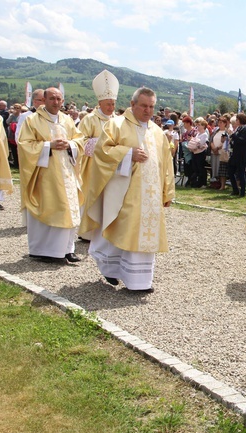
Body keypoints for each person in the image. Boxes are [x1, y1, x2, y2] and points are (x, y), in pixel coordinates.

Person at [79, 87, 175, 292]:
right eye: (143, 106)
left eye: (151, 106)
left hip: (151, 196)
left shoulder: (157, 132)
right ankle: (112, 270)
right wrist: (127, 154)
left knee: (145, 234)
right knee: (123, 230)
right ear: (132, 105)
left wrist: (168, 192)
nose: (148, 111)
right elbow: (102, 152)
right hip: (124, 192)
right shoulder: (116, 125)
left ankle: (140, 282)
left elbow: (166, 164)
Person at [17, 87, 84, 263]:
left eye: (59, 99)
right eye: (52, 98)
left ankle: (67, 249)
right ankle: (46, 250)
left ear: (62, 101)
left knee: (69, 209)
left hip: (67, 173)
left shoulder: (67, 120)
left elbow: (79, 140)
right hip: (46, 174)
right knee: (53, 208)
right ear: (44, 100)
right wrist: (48, 146)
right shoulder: (33, 120)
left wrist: (70, 145)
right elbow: (24, 145)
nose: (56, 102)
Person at [78, 70, 119, 200]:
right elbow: (79, 141)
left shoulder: (118, 121)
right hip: (92, 168)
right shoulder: (89, 119)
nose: (111, 107)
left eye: (113, 104)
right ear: (100, 103)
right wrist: (101, 144)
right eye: (108, 104)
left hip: (113, 168)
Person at [228, 113, 246, 197]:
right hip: (235, 154)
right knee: (230, 171)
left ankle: (242, 192)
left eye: (237, 119)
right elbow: (236, 140)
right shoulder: (238, 128)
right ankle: (235, 189)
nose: (236, 121)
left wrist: (233, 135)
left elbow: (242, 140)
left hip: (242, 154)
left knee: (241, 173)